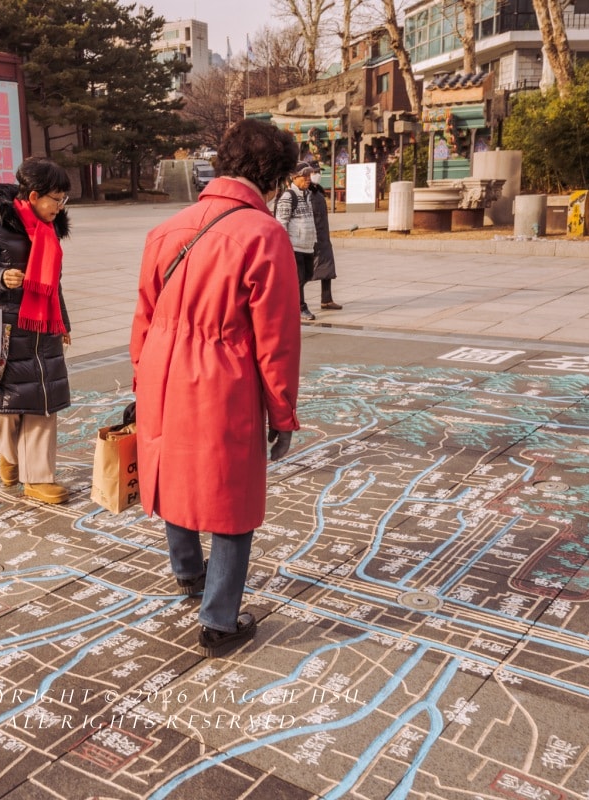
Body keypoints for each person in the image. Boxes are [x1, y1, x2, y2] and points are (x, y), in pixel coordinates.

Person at [130, 119, 301, 658]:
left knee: (172, 470)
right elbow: (276, 342)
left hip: (161, 370)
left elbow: (143, 319)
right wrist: (283, 414)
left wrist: (142, 379)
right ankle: (220, 619)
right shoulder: (263, 234)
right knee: (232, 494)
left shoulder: (168, 228)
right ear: (274, 175)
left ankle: (188, 574)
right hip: (221, 376)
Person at [0, 157, 73, 505]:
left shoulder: (50, 229)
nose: (60, 206)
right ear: (35, 195)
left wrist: (63, 323)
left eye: (64, 199)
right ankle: (8, 456)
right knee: (10, 406)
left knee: (43, 403)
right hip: (8, 331)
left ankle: (38, 478)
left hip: (44, 329)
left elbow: (54, 283)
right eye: (56, 198)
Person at [275, 162, 319, 320]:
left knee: (308, 275)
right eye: (304, 176)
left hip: (307, 245)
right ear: (294, 178)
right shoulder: (288, 196)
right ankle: (300, 307)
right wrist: (285, 246)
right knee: (299, 278)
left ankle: (286, 300)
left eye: (309, 176)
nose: (308, 179)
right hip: (294, 246)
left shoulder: (307, 195)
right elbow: (281, 223)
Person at [306, 172, 342, 311]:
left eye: (318, 172)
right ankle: (297, 301)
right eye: (313, 172)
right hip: (309, 238)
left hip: (323, 236)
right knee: (303, 273)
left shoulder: (318, 191)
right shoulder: (303, 194)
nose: (317, 175)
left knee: (327, 268)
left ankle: (326, 299)